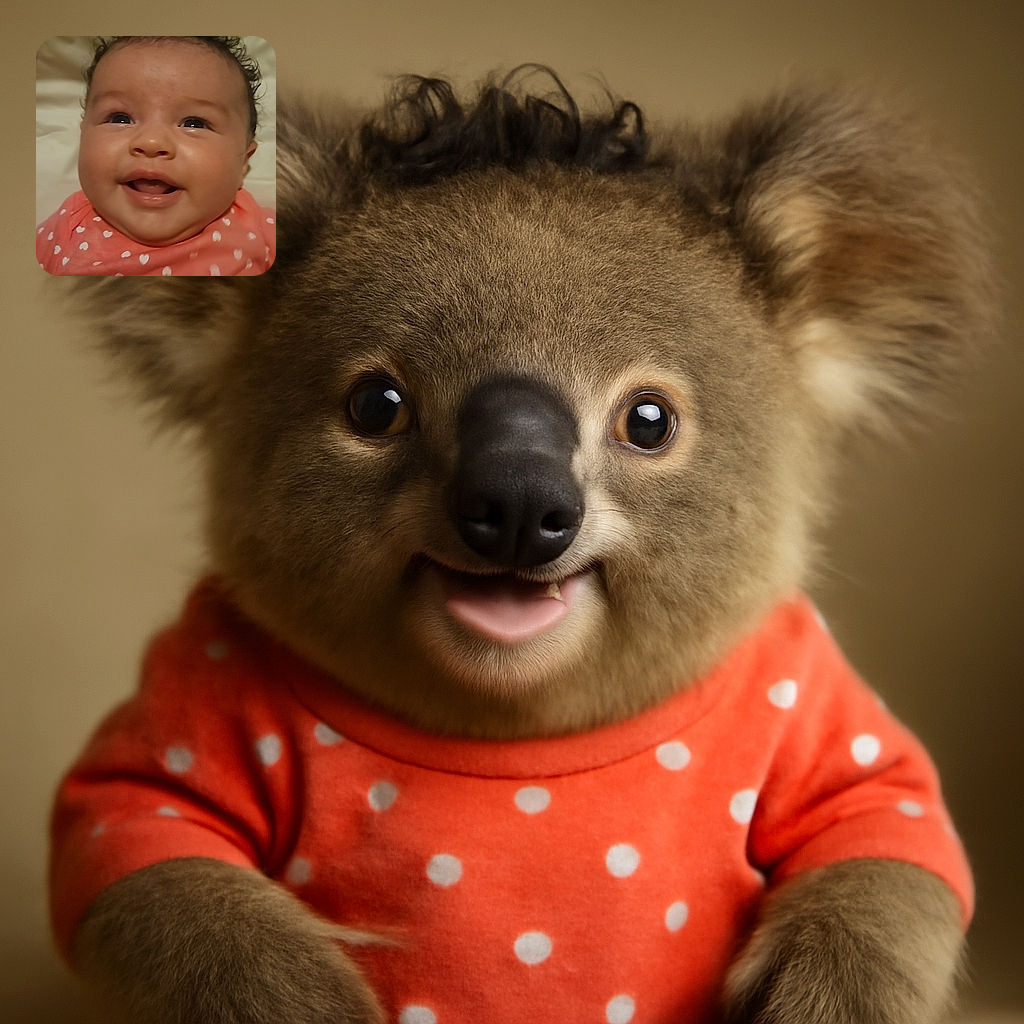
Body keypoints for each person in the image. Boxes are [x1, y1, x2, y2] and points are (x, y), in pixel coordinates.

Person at [37, 36, 275, 276]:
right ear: (83, 135)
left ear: (243, 162)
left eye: (194, 123)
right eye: (119, 118)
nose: (151, 142)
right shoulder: (67, 225)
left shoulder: (263, 230)